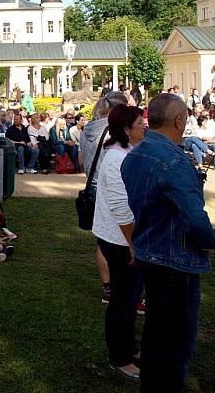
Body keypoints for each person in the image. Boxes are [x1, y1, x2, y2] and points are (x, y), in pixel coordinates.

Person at [120, 94, 215, 392]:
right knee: (176, 343)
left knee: (156, 334)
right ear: (179, 121)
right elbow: (194, 218)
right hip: (174, 262)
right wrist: (211, 242)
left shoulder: (136, 154)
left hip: (149, 254)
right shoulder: (174, 160)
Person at [92, 104, 146, 380]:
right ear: (126, 130)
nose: (144, 126)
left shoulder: (129, 152)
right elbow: (120, 207)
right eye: (140, 124)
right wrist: (134, 244)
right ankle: (120, 357)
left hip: (126, 238)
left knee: (131, 297)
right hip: (119, 240)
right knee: (123, 301)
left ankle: (128, 348)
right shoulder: (116, 159)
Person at [81, 91, 128, 303]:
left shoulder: (87, 129)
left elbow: (81, 158)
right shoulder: (114, 132)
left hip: (91, 184)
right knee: (120, 237)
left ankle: (108, 287)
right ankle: (122, 286)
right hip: (110, 185)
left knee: (102, 240)